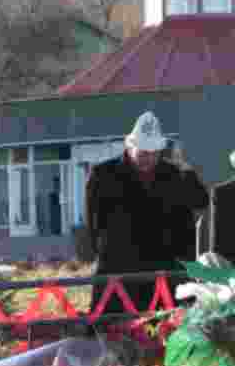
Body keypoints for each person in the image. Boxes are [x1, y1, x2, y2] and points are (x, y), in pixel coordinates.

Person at [86, 112, 208, 314]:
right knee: (115, 332)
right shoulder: (103, 176)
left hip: (167, 270)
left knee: (169, 332)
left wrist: (186, 170)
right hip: (121, 270)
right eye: (143, 153)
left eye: (154, 154)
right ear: (129, 147)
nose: (149, 159)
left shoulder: (174, 174)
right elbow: (94, 224)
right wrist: (102, 254)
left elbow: (200, 200)